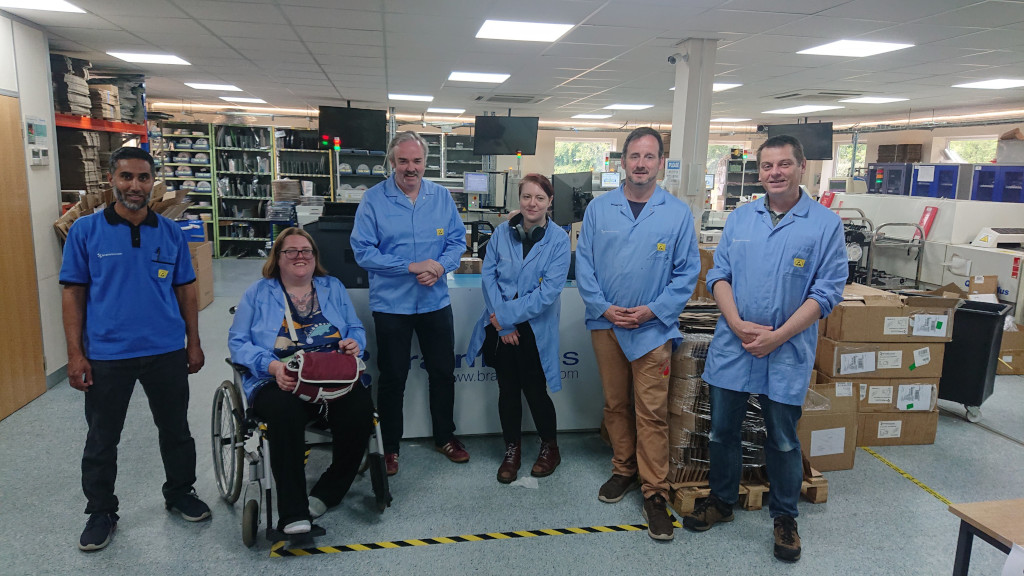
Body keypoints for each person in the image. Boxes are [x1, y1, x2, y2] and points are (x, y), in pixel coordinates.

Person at [683, 135, 847, 562]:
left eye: (784, 164)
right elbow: (719, 275)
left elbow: (826, 293)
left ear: (802, 168)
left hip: (786, 350)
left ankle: (785, 517)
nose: (775, 172)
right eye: (768, 165)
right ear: (760, 172)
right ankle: (721, 501)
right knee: (722, 431)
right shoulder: (740, 219)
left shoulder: (825, 224)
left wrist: (778, 336)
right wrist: (735, 323)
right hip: (734, 345)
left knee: (783, 440)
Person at [60, 146, 210, 552]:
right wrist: (75, 354)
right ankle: (101, 511)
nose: (135, 186)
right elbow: (73, 292)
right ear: (111, 180)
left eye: (143, 178)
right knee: (102, 437)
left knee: (176, 429)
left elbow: (184, 288)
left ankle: (180, 492)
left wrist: (192, 342)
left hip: (164, 350)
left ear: (152, 183)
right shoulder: (85, 231)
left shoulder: (170, 232)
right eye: (126, 177)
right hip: (108, 354)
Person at [576, 127, 700, 541]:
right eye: (634, 156)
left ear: (661, 163)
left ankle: (654, 491)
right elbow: (586, 267)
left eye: (650, 156)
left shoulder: (677, 213)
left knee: (651, 411)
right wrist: (605, 308)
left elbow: (687, 273)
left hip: (652, 329)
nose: (641, 164)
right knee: (615, 404)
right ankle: (623, 469)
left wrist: (653, 310)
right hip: (606, 324)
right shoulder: (599, 209)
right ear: (623, 161)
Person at [229, 227, 373, 535]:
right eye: (291, 251)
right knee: (285, 412)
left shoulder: (332, 287)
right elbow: (238, 342)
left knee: (361, 409)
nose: (299, 256)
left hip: (330, 373)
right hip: (279, 378)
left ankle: (327, 492)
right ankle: (292, 513)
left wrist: (354, 343)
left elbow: (353, 326)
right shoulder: (258, 292)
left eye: (306, 251)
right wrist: (269, 366)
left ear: (315, 257)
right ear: (277, 258)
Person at [351, 131, 468, 476]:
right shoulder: (373, 200)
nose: (410, 168)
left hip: (434, 302)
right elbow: (363, 252)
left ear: (425, 162)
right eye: (403, 161)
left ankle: (445, 437)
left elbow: (457, 241)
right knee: (393, 377)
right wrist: (409, 267)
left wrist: (439, 267)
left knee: (443, 373)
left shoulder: (441, 196)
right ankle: (389, 448)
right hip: (392, 306)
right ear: (391, 162)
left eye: (417, 161)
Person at [466, 174, 571, 484]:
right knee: (508, 391)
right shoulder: (502, 233)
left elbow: (548, 293)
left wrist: (503, 315)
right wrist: (501, 324)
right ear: (519, 199)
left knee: (536, 392)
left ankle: (550, 447)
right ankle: (511, 450)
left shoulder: (558, 241)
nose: (532, 203)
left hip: (533, 329)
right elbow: (489, 278)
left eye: (539, 197)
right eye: (527, 197)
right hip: (502, 329)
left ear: (550, 201)